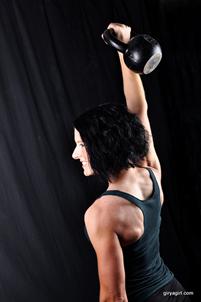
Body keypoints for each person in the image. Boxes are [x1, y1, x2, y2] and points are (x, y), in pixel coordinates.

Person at [72, 23, 191, 302]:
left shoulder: (102, 213)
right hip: (177, 291)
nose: (75, 154)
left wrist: (125, 50)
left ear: (101, 147)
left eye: (80, 145)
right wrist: (123, 50)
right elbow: (139, 111)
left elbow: (114, 297)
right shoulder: (150, 172)